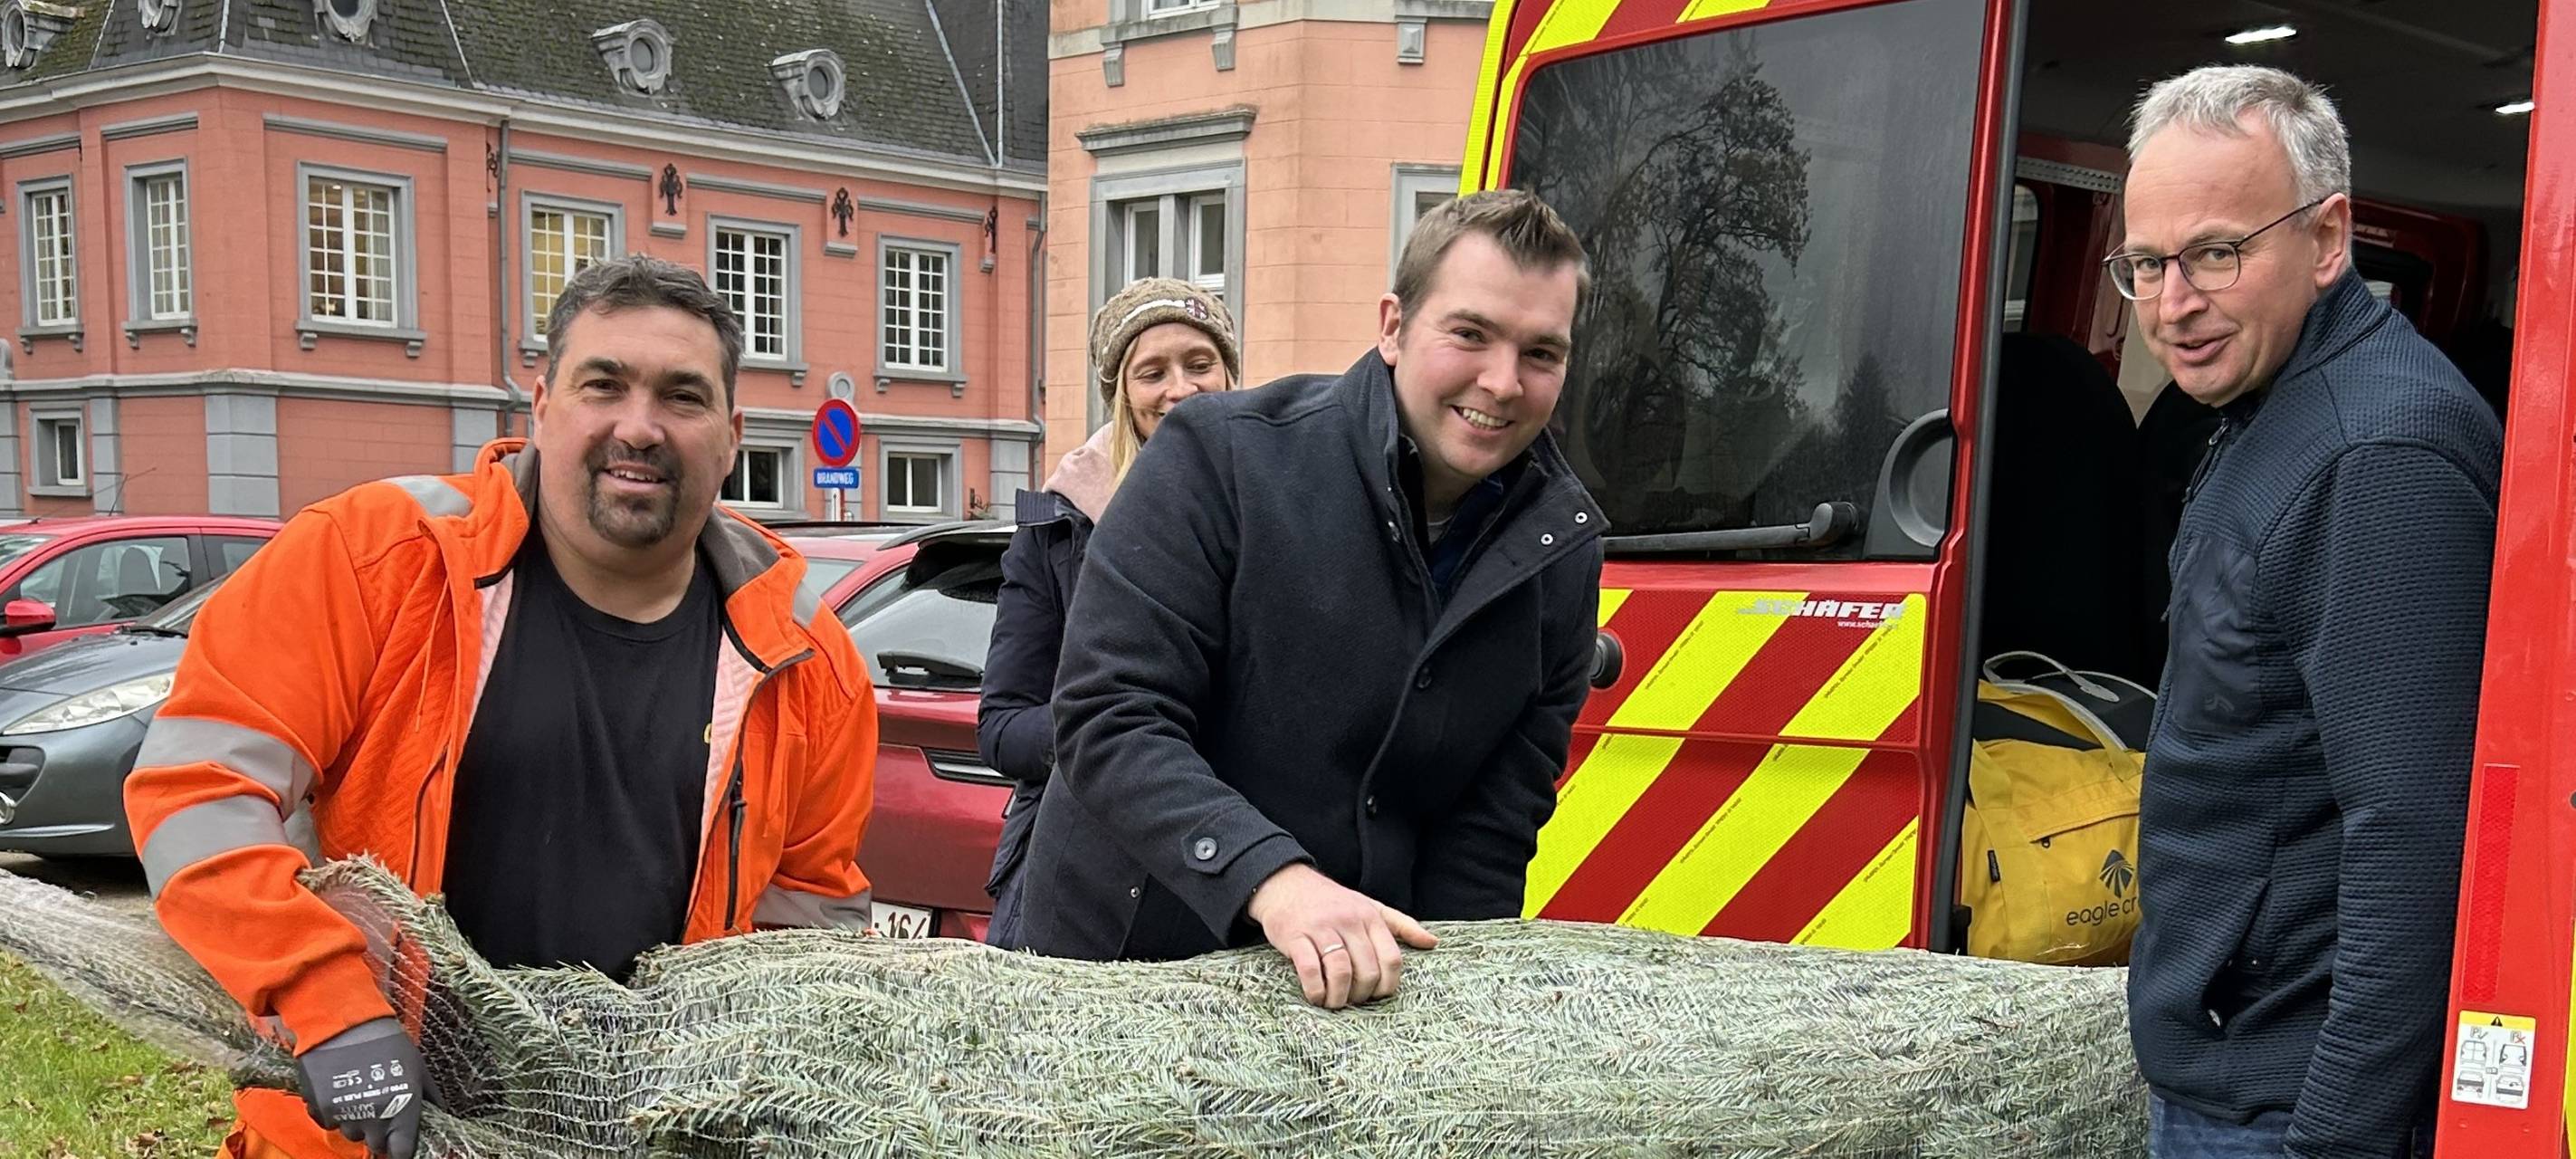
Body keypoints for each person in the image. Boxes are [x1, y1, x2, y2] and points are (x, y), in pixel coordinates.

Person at [123, 255, 880, 1159]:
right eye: (603, 384)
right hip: (368, 1124)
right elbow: (196, 791)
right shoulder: (375, 558)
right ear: (540, 406)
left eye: (682, 397)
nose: (637, 427)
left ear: (731, 434)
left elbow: (807, 927)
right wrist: (323, 1000)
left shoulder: (804, 654)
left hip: (631, 1136)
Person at [1007, 189, 1606, 1010]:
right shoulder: (1221, 457)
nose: (1502, 382)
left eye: (1542, 352)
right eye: (1470, 334)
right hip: (1126, 976)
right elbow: (1111, 714)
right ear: (1393, 327)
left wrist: (1454, 1025)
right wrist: (1277, 881)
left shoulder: (1561, 552)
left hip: (1349, 1006)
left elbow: (1492, 829)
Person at [2113, 66, 2502, 1159]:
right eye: (2145, 263)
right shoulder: (2267, 405)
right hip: (2239, 1075)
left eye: (2214, 252)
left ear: (2328, 239)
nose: (2170, 305)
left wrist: (2332, 1138)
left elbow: (2411, 833)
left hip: (2282, 1109)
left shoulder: (2375, 455)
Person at [977, 277, 1241, 949]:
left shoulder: (1287, 514)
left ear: (1233, 375)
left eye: (1200, 363)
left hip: (1232, 871)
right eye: (1151, 372)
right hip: (1077, 879)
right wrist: (1126, 740)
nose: (1179, 388)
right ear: (1120, 394)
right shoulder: (1055, 528)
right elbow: (1004, 727)